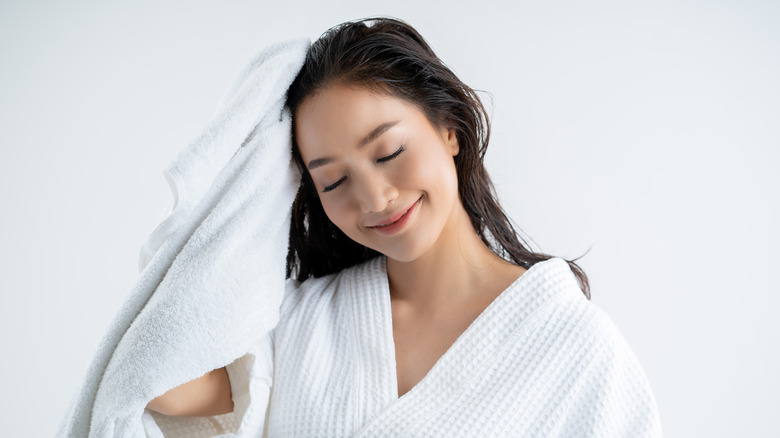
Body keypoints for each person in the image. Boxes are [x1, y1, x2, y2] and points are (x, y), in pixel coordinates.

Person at [146, 16, 662, 436]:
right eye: (333, 182)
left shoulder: (576, 346)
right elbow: (156, 374)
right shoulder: (296, 324)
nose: (374, 198)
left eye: (390, 152)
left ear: (450, 131)